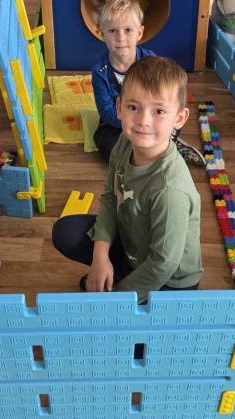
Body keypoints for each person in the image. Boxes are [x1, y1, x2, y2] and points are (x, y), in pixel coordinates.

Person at [53, 55, 203, 303]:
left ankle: (121, 284)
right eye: (134, 107)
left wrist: (117, 299)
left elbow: (163, 264)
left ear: (179, 119)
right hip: (134, 245)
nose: (143, 121)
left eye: (159, 111)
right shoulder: (124, 142)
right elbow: (111, 196)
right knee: (66, 232)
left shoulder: (170, 190)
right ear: (119, 107)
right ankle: (119, 274)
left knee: (134, 327)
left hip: (170, 283)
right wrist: (100, 256)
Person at [91, 0, 204, 166]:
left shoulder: (150, 61)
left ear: (139, 33)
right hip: (119, 123)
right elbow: (107, 112)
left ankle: (168, 147)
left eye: (128, 30)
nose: (121, 38)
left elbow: (162, 97)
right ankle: (147, 152)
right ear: (102, 33)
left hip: (150, 118)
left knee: (167, 125)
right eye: (112, 31)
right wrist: (132, 127)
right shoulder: (100, 71)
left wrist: (149, 123)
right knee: (105, 144)